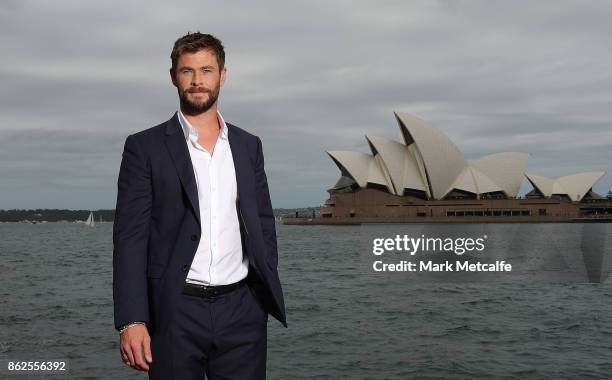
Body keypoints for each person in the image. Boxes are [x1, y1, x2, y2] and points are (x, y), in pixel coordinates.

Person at [112, 32, 286, 380]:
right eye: (187, 71)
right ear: (174, 76)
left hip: (242, 311)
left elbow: (263, 223)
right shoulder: (144, 147)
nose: (197, 81)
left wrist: (259, 300)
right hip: (175, 312)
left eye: (206, 70)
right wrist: (132, 319)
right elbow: (130, 238)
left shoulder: (248, 146)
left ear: (222, 75)